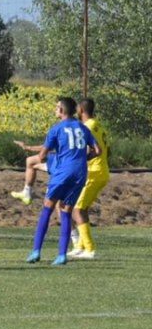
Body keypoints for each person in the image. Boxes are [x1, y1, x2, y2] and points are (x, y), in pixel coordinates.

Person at [26, 97, 100, 265]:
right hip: (80, 174)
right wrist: (82, 158)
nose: (55, 109)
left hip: (63, 173)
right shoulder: (83, 128)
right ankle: (61, 255)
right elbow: (98, 150)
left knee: (47, 208)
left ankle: (36, 251)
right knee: (66, 210)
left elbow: (43, 155)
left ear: (62, 111)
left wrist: (40, 158)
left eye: (56, 106)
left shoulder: (56, 129)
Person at [68, 98, 110, 259]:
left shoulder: (88, 127)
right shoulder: (98, 125)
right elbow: (108, 150)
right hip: (100, 170)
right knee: (80, 208)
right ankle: (80, 246)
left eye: (78, 108)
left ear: (81, 110)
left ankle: (90, 249)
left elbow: (89, 150)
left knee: (77, 209)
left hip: (94, 172)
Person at [10, 141, 57, 205]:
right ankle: (26, 192)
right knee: (30, 161)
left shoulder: (58, 132)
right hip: (60, 161)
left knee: (54, 203)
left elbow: (45, 151)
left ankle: (27, 193)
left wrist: (27, 147)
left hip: (61, 165)